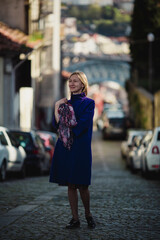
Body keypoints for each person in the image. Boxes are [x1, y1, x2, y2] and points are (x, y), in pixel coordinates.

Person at [49, 71, 96, 229]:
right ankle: (75, 219)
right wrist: (56, 106)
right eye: (70, 81)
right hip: (65, 147)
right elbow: (57, 125)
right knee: (70, 185)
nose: (72, 84)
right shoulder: (63, 104)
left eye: (75, 81)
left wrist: (65, 125)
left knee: (83, 185)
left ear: (83, 83)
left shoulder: (89, 103)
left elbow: (82, 125)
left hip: (80, 148)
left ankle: (88, 214)